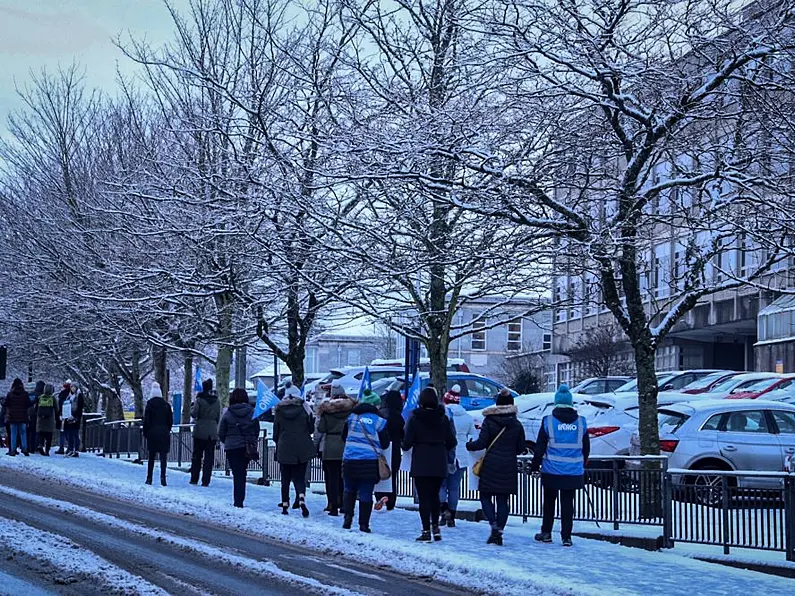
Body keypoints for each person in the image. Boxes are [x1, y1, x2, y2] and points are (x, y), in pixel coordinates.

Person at [531, 384, 590, 547]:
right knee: (567, 504)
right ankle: (566, 537)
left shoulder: (548, 421)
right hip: (573, 471)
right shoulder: (581, 422)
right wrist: (582, 464)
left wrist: (535, 466)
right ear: (571, 404)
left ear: (556, 403)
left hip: (551, 469)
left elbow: (539, 448)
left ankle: (546, 533)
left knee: (549, 502)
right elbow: (586, 447)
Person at [467, 388, 525, 546]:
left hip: (490, 465)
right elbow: (521, 448)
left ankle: (492, 523)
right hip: (508, 466)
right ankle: (499, 530)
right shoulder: (517, 424)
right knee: (503, 500)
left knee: (485, 496)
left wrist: (469, 445)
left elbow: (482, 443)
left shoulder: (490, 421)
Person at [402, 386, 457, 542]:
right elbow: (452, 441)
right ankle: (436, 528)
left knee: (424, 498)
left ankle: (426, 530)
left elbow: (406, 444)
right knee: (434, 496)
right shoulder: (443, 419)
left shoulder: (415, 419)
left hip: (421, 461)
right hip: (439, 460)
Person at [341, 389, 389, 533]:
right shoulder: (379, 421)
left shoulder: (351, 418)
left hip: (350, 460)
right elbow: (385, 443)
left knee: (349, 489)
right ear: (375, 405)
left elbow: (343, 437)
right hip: (369, 461)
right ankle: (364, 524)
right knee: (366, 493)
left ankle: (347, 519)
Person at [273, 384, 314, 517]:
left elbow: (276, 432)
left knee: (285, 478)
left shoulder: (279, 411)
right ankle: (301, 497)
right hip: (302, 448)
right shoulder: (304, 410)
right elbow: (311, 429)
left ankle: (285, 503)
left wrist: (278, 441)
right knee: (299, 476)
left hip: (285, 447)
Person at [317, 384, 356, 516]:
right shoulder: (351, 410)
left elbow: (321, 429)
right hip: (346, 446)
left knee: (331, 478)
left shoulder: (327, 410)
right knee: (345, 478)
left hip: (330, 448)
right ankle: (345, 505)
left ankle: (333, 505)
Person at [440, 385, 475, 527]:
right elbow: (473, 435)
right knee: (454, 488)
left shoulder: (443, 415)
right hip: (461, 456)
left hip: (444, 454)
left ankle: (443, 512)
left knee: (441, 486)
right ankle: (452, 517)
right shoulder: (468, 417)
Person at [218, 387, 260, 508]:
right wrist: (252, 440)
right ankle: (240, 499)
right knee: (242, 472)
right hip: (246, 446)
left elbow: (221, 431)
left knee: (237, 472)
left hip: (232, 446)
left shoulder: (229, 413)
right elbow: (256, 429)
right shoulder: (252, 412)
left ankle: (237, 500)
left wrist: (226, 440)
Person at [374, 389, 405, 511]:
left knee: (380, 472)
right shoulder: (399, 417)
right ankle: (391, 499)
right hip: (395, 448)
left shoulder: (379, 415)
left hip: (380, 448)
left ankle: (379, 496)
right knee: (393, 475)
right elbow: (403, 435)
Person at [190, 378, 221, 487]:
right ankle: (206, 480)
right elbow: (218, 417)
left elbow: (194, 414)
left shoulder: (199, 400)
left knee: (197, 455)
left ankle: (194, 478)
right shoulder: (217, 401)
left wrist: (192, 406)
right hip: (212, 432)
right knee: (209, 457)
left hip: (200, 430)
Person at [143, 384, 173, 486]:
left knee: (151, 457)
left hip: (152, 433)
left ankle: (149, 478)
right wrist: (166, 430)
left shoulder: (149, 405)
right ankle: (163, 478)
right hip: (164, 433)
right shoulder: (166, 405)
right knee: (163, 457)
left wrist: (146, 432)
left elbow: (146, 421)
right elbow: (170, 421)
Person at [5, 378, 31, 456]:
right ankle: (25, 449)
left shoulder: (10, 394)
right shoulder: (25, 394)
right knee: (23, 433)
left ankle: (12, 450)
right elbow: (28, 404)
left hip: (12, 417)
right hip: (23, 417)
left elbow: (5, 404)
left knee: (13, 434)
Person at [36, 384, 59, 456]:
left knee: (41, 434)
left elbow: (36, 408)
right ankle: (47, 450)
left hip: (41, 420)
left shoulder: (40, 397)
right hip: (50, 420)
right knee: (49, 436)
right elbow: (57, 409)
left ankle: (40, 444)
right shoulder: (53, 398)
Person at [62, 383, 85, 457]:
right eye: (72, 387)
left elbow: (80, 408)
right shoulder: (68, 396)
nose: (73, 388)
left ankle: (76, 450)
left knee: (75, 434)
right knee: (69, 434)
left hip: (75, 418)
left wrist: (75, 416)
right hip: (68, 417)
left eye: (74, 387)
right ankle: (70, 449)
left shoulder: (79, 396)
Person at [27, 381, 45, 454]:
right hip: (38, 415)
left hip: (29, 414)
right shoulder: (41, 395)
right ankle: (36, 446)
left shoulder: (31, 394)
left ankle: (29, 447)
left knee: (30, 431)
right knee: (37, 432)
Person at [55, 380, 72, 455]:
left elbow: (58, 405)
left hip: (62, 415)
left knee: (62, 432)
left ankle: (61, 447)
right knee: (68, 432)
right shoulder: (72, 395)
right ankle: (69, 447)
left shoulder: (61, 394)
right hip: (69, 415)